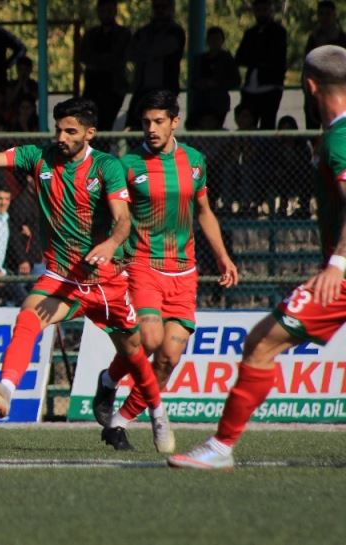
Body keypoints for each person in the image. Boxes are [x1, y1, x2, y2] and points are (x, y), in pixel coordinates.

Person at [0, 98, 173, 452]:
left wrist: (110, 244)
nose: (62, 136)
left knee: (135, 353)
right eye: (58, 129)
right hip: (63, 277)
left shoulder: (107, 167)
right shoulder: (37, 157)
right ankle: (5, 392)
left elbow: (123, 220)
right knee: (28, 314)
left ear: (90, 134)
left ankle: (158, 416)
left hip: (108, 280)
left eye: (71, 131)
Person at [168, 45, 346, 470]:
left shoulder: (339, 137)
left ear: (308, 86)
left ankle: (220, 447)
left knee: (262, 342)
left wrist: (337, 265)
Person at [92, 90, 239, 451]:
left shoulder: (195, 161)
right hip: (143, 266)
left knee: (169, 357)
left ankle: (120, 421)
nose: (151, 129)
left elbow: (204, 211)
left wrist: (223, 255)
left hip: (184, 272)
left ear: (175, 121)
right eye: (145, 122)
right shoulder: (126, 165)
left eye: (159, 121)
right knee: (151, 340)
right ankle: (110, 380)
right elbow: (109, 215)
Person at [125, 0, 185, 129]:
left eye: (164, 7)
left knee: (160, 126)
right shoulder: (144, 31)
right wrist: (148, 52)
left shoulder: (175, 31)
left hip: (165, 88)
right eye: (157, 7)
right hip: (143, 88)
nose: (160, 10)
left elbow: (162, 49)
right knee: (134, 125)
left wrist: (146, 51)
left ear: (171, 9)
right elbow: (130, 53)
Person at [235, 0, 287, 130]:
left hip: (270, 86)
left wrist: (258, 58)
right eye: (258, 10)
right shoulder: (250, 33)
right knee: (247, 124)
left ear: (271, 11)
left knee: (267, 124)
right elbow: (240, 57)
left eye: (265, 10)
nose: (261, 13)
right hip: (250, 88)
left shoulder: (278, 32)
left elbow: (276, 57)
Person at [79, 0, 131, 131]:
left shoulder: (123, 33)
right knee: (89, 124)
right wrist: (103, 61)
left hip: (113, 89)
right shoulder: (91, 34)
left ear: (115, 11)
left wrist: (101, 61)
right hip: (92, 88)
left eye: (109, 11)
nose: (106, 15)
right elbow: (84, 56)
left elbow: (118, 57)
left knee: (107, 125)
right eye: (103, 11)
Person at [303, 1, 346, 129]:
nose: (324, 17)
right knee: (313, 127)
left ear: (334, 15)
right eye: (321, 14)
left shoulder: (342, 39)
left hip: (337, 90)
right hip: (315, 91)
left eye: (328, 14)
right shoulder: (313, 38)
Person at [188, 27, 240, 130]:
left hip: (219, 102)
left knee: (215, 128)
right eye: (212, 39)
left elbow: (236, 81)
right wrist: (202, 84)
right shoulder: (200, 59)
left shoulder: (227, 58)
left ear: (222, 41)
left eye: (217, 39)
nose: (214, 42)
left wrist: (217, 84)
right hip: (201, 101)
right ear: (207, 40)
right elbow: (193, 81)